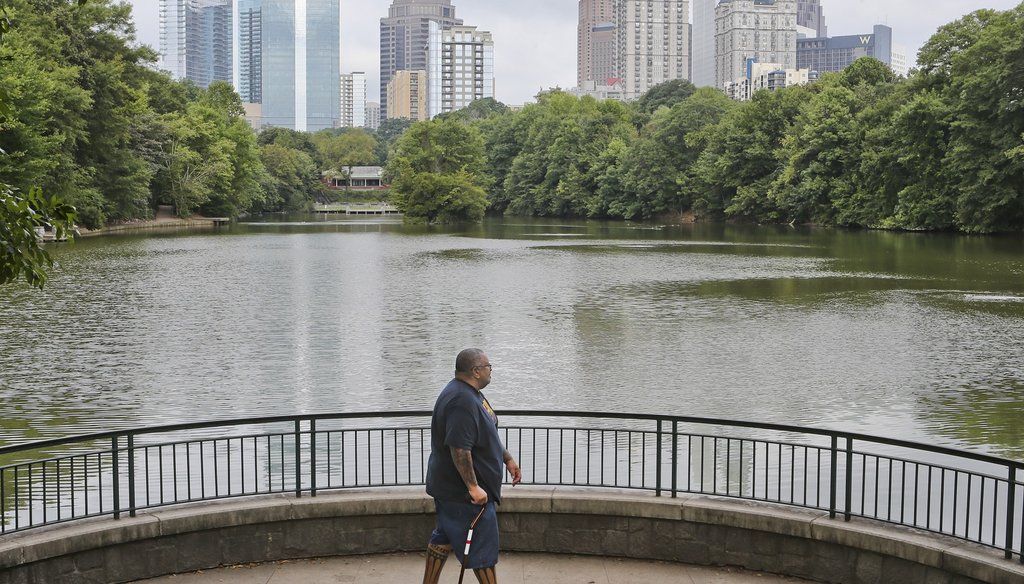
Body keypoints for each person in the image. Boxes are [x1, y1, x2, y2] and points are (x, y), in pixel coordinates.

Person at [422, 348, 522, 584]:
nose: (491, 371)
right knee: (483, 549)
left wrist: (506, 458)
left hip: (450, 490)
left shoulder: (470, 393)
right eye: (489, 367)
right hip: (463, 494)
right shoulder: (462, 401)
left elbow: (486, 434)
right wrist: (473, 488)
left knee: (443, 537)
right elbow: (459, 448)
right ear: (476, 371)